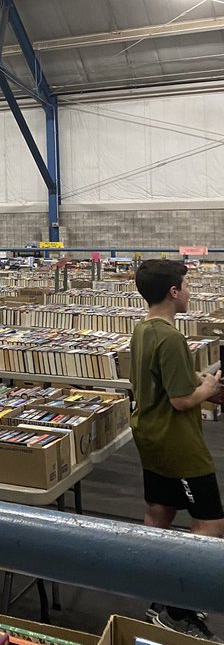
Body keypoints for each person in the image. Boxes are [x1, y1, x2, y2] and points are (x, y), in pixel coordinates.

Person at [129, 260, 224, 639]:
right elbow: (183, 399)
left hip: (150, 435)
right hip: (177, 443)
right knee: (210, 521)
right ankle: (180, 608)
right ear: (173, 291)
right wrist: (210, 386)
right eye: (185, 286)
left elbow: (161, 382)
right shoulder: (170, 337)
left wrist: (195, 381)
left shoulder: (143, 330)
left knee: (160, 512)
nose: (188, 292)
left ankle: (156, 594)